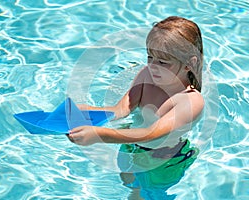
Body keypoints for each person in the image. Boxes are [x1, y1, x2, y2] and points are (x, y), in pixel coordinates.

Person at [68, 16, 204, 199]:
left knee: (152, 194)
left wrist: (99, 136)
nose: (153, 66)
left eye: (163, 62)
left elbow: (152, 133)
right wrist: (87, 111)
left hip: (165, 160)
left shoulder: (191, 101)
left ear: (190, 63)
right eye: (150, 57)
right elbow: (121, 110)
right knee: (130, 185)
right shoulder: (146, 75)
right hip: (131, 145)